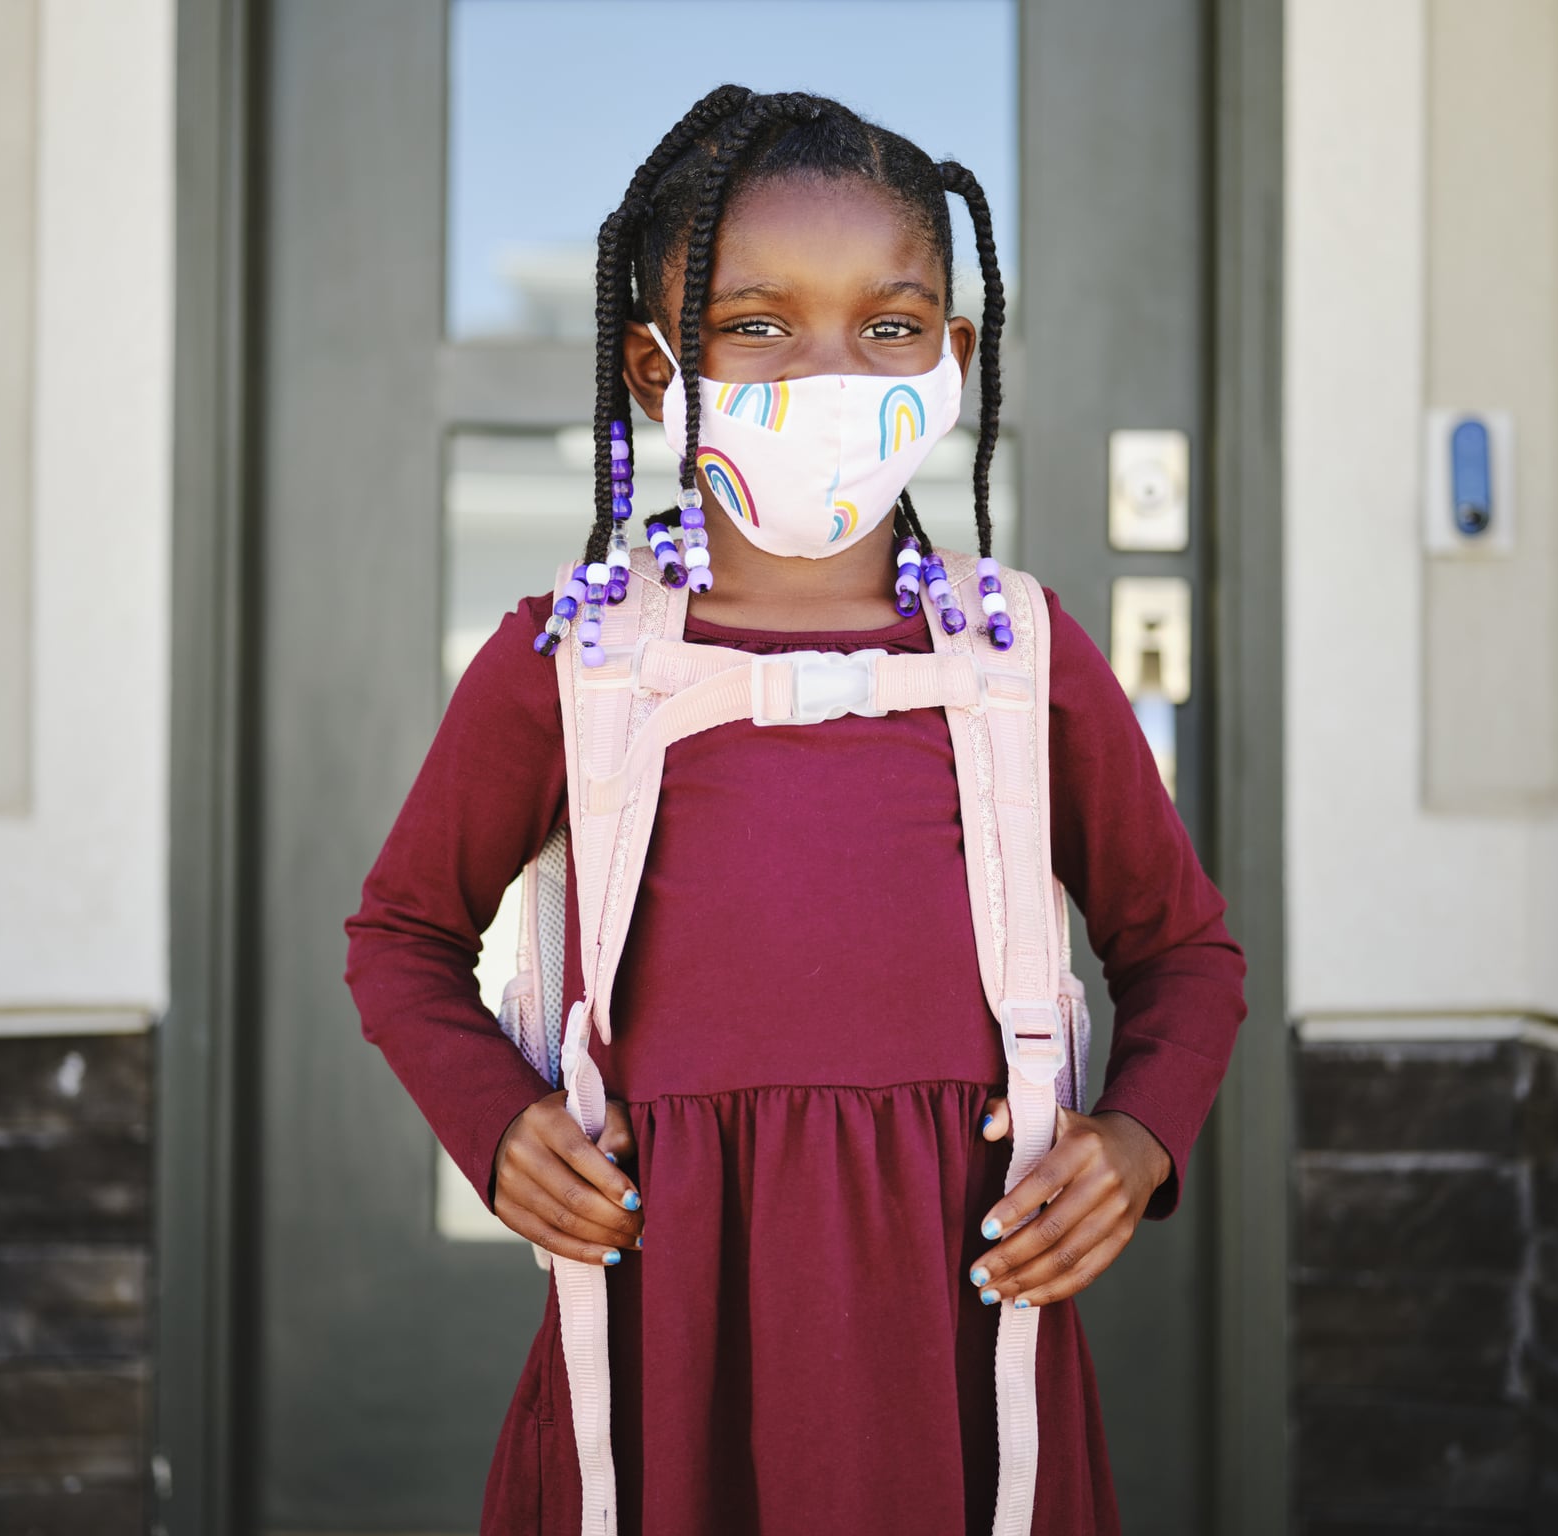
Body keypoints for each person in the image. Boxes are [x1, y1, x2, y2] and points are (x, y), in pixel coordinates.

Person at [343, 85, 1247, 1536]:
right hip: (663, 1335)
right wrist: (499, 1126)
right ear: (656, 371)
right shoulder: (573, 661)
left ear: (954, 359)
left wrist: (1137, 1143)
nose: (830, 372)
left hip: (956, 1356)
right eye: (757, 325)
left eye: (889, 326)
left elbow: (1185, 956)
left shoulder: (1016, 657)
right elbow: (399, 934)